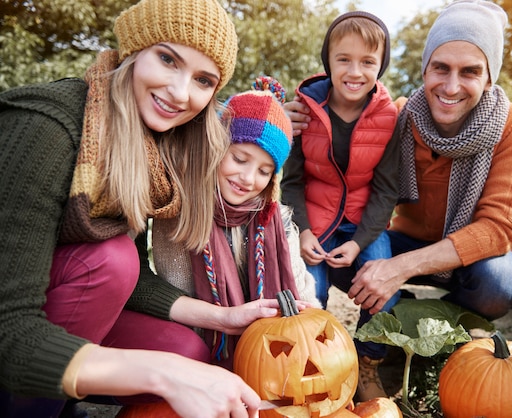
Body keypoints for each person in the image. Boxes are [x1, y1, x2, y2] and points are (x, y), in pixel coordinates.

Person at [0, 0, 294, 417]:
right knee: (111, 260)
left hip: (62, 305)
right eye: (168, 59)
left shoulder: (150, 151)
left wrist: (223, 317)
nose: (179, 92)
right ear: (135, 50)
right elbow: (8, 327)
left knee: (186, 348)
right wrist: (163, 373)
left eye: (203, 80)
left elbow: (135, 282)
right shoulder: (48, 127)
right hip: (16, 324)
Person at [288, 0, 512, 329]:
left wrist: (400, 267)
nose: (451, 87)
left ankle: (445, 325)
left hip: (469, 261)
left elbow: (501, 228)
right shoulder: (400, 115)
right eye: (441, 68)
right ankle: (400, 315)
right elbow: (343, 120)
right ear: (425, 69)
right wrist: (289, 117)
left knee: (499, 282)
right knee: (338, 251)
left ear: (490, 78)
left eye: (470, 72)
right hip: (404, 240)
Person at [150, 77, 320, 371]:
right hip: (204, 335)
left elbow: (303, 292)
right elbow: (176, 294)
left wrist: (313, 330)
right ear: (216, 150)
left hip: (267, 351)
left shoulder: (274, 218)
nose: (248, 178)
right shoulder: (183, 215)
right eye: (240, 159)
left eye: (264, 171)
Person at [280, 11, 401, 401]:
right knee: (305, 294)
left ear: (380, 65)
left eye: (368, 62)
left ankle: (368, 361)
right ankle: (311, 367)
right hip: (314, 218)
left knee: (384, 288)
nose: (355, 71)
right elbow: (293, 181)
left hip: (365, 221)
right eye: (343, 59)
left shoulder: (390, 117)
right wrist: (301, 231)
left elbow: (386, 189)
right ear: (327, 62)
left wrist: (361, 240)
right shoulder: (304, 110)